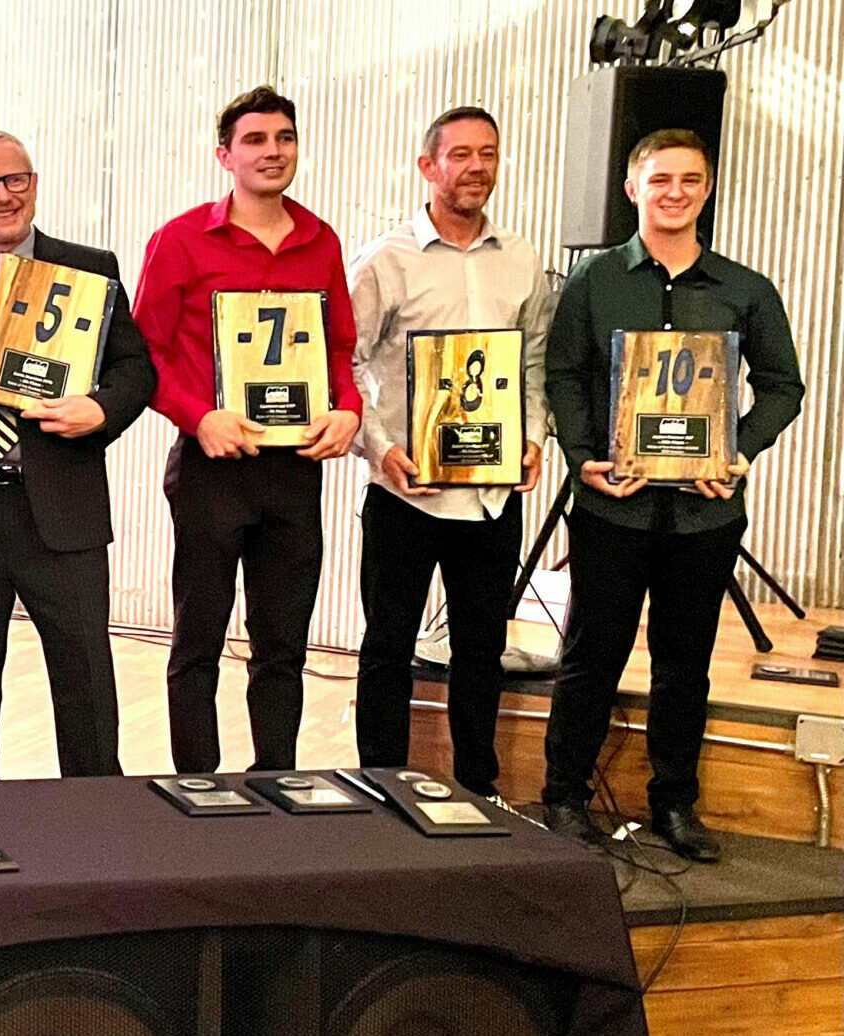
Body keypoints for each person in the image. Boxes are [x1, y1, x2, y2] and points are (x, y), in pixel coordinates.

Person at [540, 129, 803, 862]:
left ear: (707, 189)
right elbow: (563, 375)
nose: (675, 192)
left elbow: (784, 386)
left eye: (690, 180)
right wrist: (583, 457)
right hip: (610, 505)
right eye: (660, 180)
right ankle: (564, 797)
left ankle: (676, 805)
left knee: (684, 662)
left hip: (705, 511)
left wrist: (740, 449)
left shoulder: (746, 289)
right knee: (592, 655)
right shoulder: (593, 283)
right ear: (633, 190)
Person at [134, 85, 362, 775]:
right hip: (212, 469)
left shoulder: (320, 240)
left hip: (294, 470)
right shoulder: (179, 240)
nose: (273, 151)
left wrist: (347, 408)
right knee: (198, 638)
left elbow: (338, 348)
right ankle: (199, 787)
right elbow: (144, 354)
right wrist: (198, 416)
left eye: (284, 138)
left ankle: (277, 780)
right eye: (256, 140)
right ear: (224, 155)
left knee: (283, 644)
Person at [0, 131, 155, 780]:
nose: (2, 197)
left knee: (85, 677)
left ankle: (96, 824)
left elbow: (136, 369)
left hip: (61, 504)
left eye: (15, 180)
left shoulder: (89, 267)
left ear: (34, 183)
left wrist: (102, 410)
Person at [347, 106, 553, 797]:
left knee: (481, 653)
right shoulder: (383, 260)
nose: (475, 168)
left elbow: (534, 365)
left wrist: (532, 435)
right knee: (387, 648)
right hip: (406, 491)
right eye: (460, 155)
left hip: (491, 497)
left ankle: (478, 787)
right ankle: (381, 783)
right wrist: (378, 450)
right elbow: (343, 364)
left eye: (488, 154)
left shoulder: (523, 261)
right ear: (427, 166)